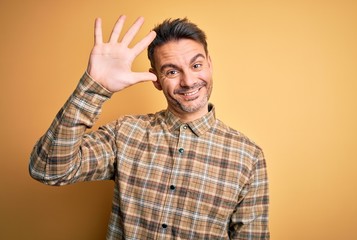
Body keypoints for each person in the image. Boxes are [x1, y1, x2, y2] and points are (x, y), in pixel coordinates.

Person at [29, 15, 269, 239]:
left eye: (196, 66)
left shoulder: (248, 156)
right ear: (156, 79)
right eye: (172, 71)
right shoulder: (125, 133)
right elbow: (48, 170)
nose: (188, 81)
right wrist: (94, 87)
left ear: (209, 64)